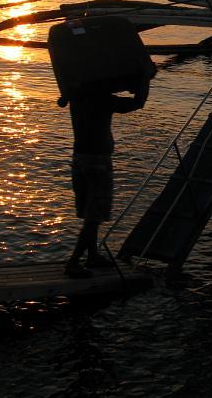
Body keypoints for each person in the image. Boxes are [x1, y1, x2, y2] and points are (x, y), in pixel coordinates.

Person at [62, 77, 149, 278]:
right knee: (93, 217)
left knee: (90, 212)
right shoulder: (104, 100)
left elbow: (64, 96)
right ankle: (73, 262)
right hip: (97, 161)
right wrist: (144, 80)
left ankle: (92, 255)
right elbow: (138, 103)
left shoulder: (76, 96)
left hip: (79, 159)